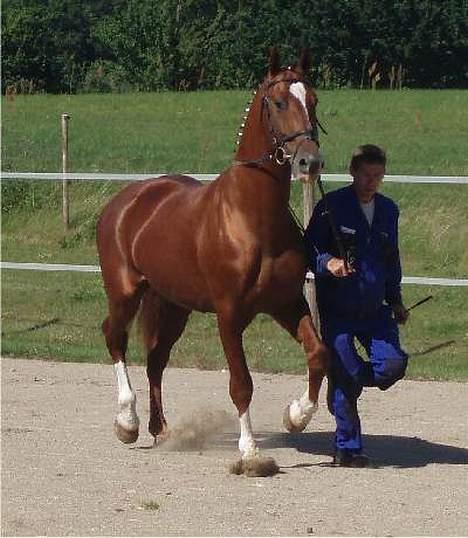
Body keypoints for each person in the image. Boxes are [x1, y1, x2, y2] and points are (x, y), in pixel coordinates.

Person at [305, 144, 409, 467]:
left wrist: (396, 300)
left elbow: (391, 259)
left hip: (375, 311)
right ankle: (348, 449)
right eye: (366, 175)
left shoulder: (389, 210)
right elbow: (306, 249)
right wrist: (328, 263)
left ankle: (343, 379)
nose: (371, 182)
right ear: (353, 172)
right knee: (346, 372)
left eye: (377, 176)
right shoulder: (330, 207)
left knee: (393, 366)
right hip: (338, 311)